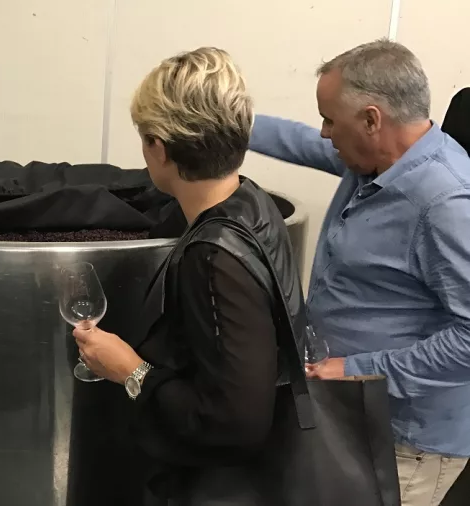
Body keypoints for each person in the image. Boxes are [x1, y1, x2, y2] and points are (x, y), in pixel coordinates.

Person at [72, 47, 301, 504]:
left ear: (158, 146)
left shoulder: (214, 256)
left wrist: (130, 371)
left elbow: (235, 424)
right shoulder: (252, 204)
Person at [248, 39, 470, 506]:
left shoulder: (444, 202)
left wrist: (357, 369)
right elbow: (304, 143)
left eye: (331, 120)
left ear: (372, 119)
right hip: (352, 417)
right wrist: (226, 123)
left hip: (404, 444)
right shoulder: (378, 157)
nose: (325, 132)